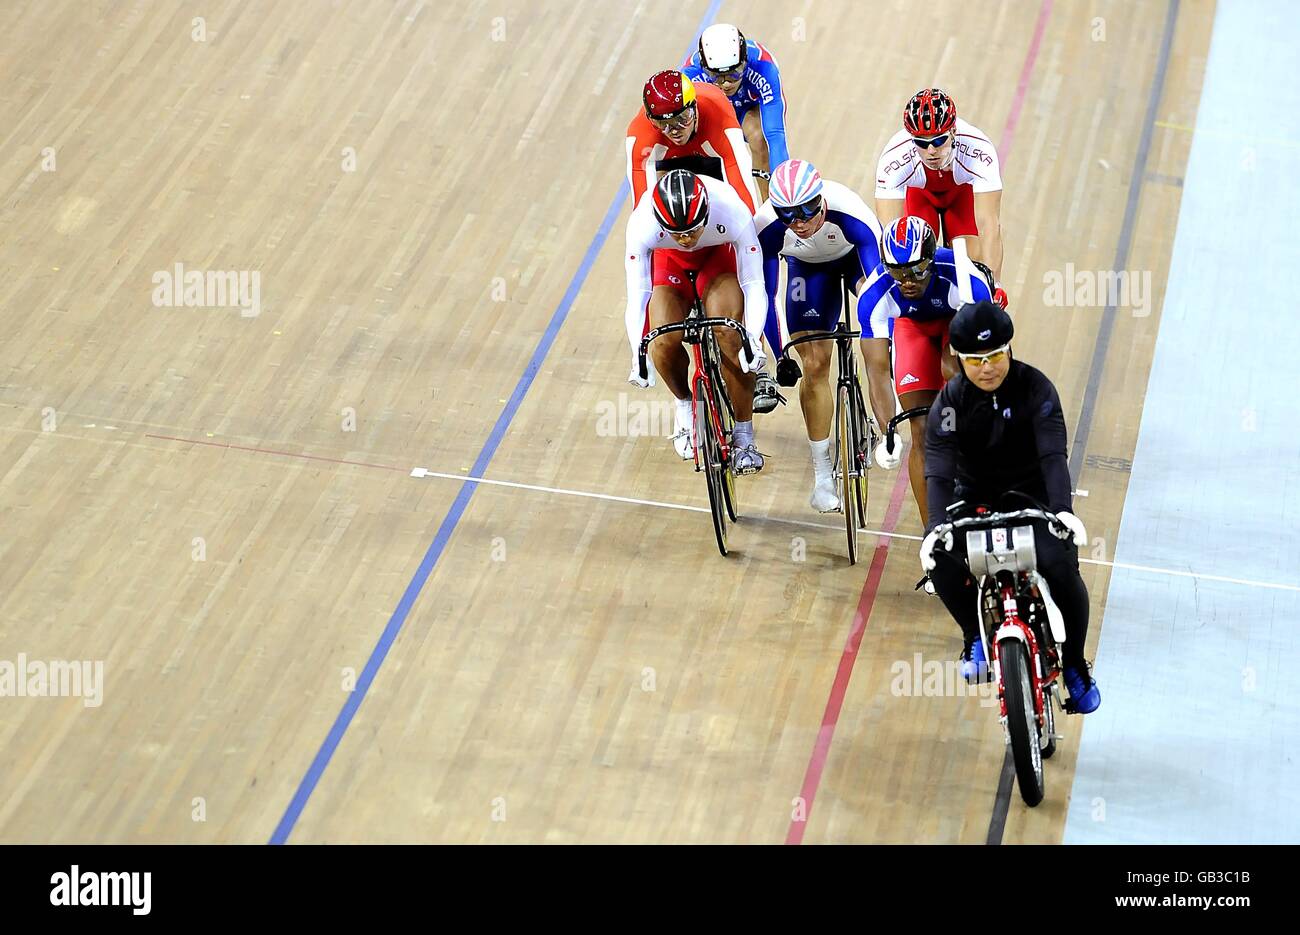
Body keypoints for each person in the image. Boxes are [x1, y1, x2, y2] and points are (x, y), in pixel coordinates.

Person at [920, 300, 1100, 712]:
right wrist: (934, 528)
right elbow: (940, 472)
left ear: (1010, 349)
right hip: (973, 495)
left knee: (1061, 566)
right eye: (977, 360)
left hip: (1032, 493)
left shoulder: (1036, 389)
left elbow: (1053, 455)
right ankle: (973, 637)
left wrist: (1063, 511)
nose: (988, 368)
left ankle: (1074, 664)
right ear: (958, 359)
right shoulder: (947, 405)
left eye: (997, 355)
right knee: (940, 559)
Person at [627, 70, 781, 413]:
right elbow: (643, 209)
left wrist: (748, 239)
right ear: (651, 120)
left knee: (753, 256)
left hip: (716, 179)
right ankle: (687, 408)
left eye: (682, 118)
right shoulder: (641, 135)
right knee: (663, 323)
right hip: (670, 179)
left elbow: (742, 189)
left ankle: (762, 356)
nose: (675, 130)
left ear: (694, 107)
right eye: (664, 125)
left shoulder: (716, 109)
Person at [754, 158, 881, 511]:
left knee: (878, 338)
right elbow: (764, 293)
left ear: (821, 199)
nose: (800, 223)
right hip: (807, 273)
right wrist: (780, 354)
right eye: (789, 216)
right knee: (814, 364)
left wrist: (878, 332)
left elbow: (880, 287)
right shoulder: (765, 227)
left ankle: (884, 414)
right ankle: (823, 476)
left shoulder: (851, 211)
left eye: (808, 211)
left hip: (854, 259)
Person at [624, 169, 768, 474]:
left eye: (692, 230)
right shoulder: (641, 223)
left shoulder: (731, 209)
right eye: (677, 233)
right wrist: (637, 352)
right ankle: (684, 404)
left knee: (731, 335)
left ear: (706, 213)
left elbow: (754, 282)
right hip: (670, 264)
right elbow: (638, 294)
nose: (687, 239)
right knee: (661, 341)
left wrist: (752, 339)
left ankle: (744, 436)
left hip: (717, 259)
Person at [858, 216, 992, 525]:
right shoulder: (874, 295)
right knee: (921, 431)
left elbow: (990, 355)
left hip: (958, 323)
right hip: (912, 330)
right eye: (897, 272)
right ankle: (934, 535)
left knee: (952, 370)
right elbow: (877, 372)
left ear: (931, 261)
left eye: (917, 271)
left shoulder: (964, 279)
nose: (907, 281)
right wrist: (887, 432)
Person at [874, 88, 1009, 308]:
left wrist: (995, 284)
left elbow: (989, 225)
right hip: (920, 196)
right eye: (921, 142)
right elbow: (890, 236)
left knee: (971, 269)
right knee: (913, 259)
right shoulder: (894, 158)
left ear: (953, 131)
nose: (930, 151)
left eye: (939, 141)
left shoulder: (979, 149)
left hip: (961, 195)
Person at [682, 23, 790, 203]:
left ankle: (770, 206)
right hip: (713, 113)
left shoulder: (763, 66)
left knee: (759, 137)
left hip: (746, 110)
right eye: (716, 76)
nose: (725, 84)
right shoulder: (690, 76)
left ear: (745, 62)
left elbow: (776, 135)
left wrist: (785, 189)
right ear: (703, 67)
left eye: (734, 73)